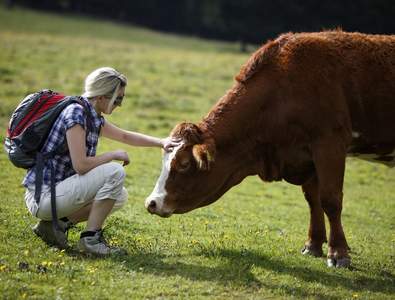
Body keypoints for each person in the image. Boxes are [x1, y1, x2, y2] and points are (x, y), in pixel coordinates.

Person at [23, 67, 179, 255]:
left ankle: (54, 227)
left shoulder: (92, 115)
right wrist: (112, 155)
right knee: (114, 172)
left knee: (119, 196)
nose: (119, 104)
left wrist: (161, 142)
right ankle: (90, 240)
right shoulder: (76, 114)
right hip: (43, 198)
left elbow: (125, 136)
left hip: (58, 192)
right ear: (102, 96)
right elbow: (80, 166)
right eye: (118, 98)